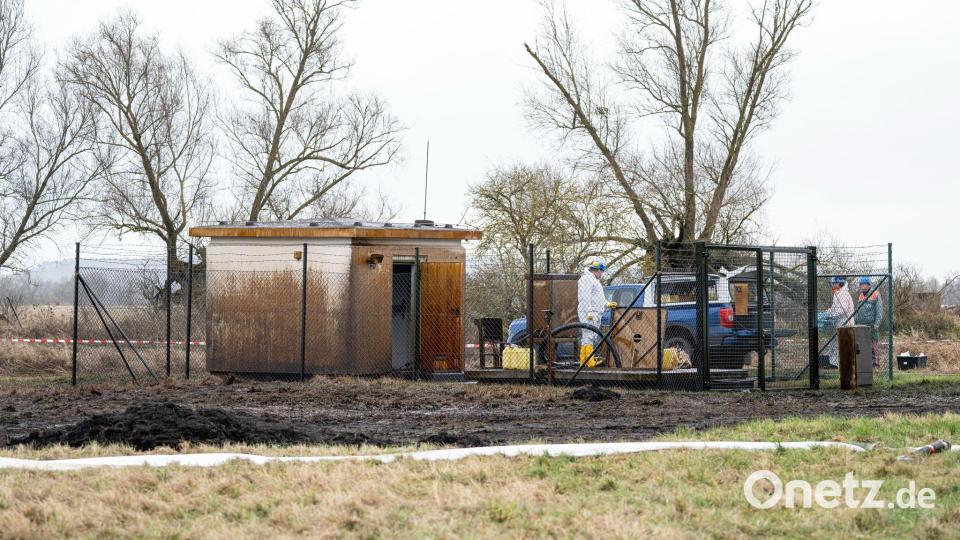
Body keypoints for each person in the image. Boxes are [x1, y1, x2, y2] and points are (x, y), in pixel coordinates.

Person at [577, 256, 609, 367]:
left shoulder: (592, 279)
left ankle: (584, 361)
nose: (602, 274)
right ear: (598, 270)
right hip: (590, 313)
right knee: (588, 336)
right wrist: (588, 312)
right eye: (602, 271)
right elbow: (585, 298)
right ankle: (588, 362)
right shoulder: (587, 279)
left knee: (589, 336)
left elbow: (597, 297)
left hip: (594, 313)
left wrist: (606, 303)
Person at [823, 276, 856, 368]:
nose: (833, 285)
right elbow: (834, 308)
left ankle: (846, 364)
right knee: (834, 344)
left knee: (844, 344)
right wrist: (826, 312)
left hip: (846, 323)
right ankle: (834, 364)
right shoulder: (837, 293)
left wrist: (831, 315)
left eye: (834, 283)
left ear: (839, 283)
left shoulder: (844, 294)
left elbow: (842, 310)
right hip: (838, 323)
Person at [854, 277, 884, 367]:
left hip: (871, 325)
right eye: (861, 284)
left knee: (872, 346)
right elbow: (858, 311)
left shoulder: (875, 294)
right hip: (860, 325)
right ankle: (866, 364)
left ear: (869, 285)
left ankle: (875, 365)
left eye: (864, 284)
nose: (862, 286)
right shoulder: (860, 295)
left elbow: (879, 310)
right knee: (862, 345)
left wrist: (877, 323)